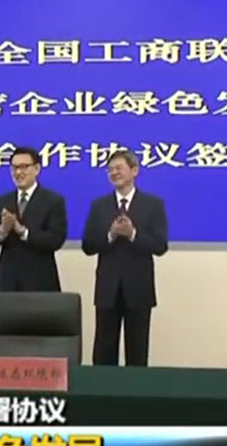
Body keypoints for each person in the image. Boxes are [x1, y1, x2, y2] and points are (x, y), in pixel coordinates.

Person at [81, 149, 168, 366]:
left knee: (137, 353)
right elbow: (88, 246)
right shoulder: (99, 205)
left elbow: (160, 246)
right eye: (110, 169)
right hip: (107, 289)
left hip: (139, 289)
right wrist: (111, 235)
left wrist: (132, 234)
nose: (114, 173)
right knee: (103, 352)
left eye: (118, 168)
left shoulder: (153, 204)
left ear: (134, 170)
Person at [0, 146, 67, 291]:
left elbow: (56, 239)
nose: (18, 172)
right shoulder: (2, 201)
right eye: (14, 168)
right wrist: (3, 230)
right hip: (8, 281)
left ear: (37, 169)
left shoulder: (53, 201)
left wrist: (23, 231)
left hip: (40, 280)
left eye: (24, 167)